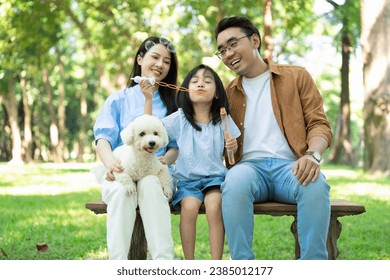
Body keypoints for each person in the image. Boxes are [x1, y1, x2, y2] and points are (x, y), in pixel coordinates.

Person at [214, 16, 333, 260]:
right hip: (248, 170)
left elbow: (319, 124)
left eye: (233, 43)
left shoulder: (296, 77)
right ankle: (243, 267)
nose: (228, 54)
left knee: (315, 183)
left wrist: (312, 155)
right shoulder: (227, 93)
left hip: (290, 168)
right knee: (234, 181)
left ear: (254, 40)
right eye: (222, 50)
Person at [93, 36, 178, 260]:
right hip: (122, 168)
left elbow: (174, 147)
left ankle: (163, 262)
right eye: (155, 57)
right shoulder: (117, 99)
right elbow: (103, 138)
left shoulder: (174, 103)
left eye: (167, 61)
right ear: (140, 59)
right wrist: (110, 164)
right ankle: (118, 264)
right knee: (122, 190)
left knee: (151, 185)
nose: (160, 64)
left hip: (154, 170)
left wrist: (166, 161)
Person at [144, 64, 240, 259]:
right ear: (186, 91)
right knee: (189, 207)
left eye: (207, 81)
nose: (200, 84)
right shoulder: (179, 119)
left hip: (215, 179)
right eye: (194, 81)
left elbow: (233, 151)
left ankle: (216, 263)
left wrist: (232, 147)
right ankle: (190, 263)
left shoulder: (223, 119)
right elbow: (150, 127)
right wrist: (148, 99)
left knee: (215, 206)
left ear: (216, 92)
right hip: (187, 181)